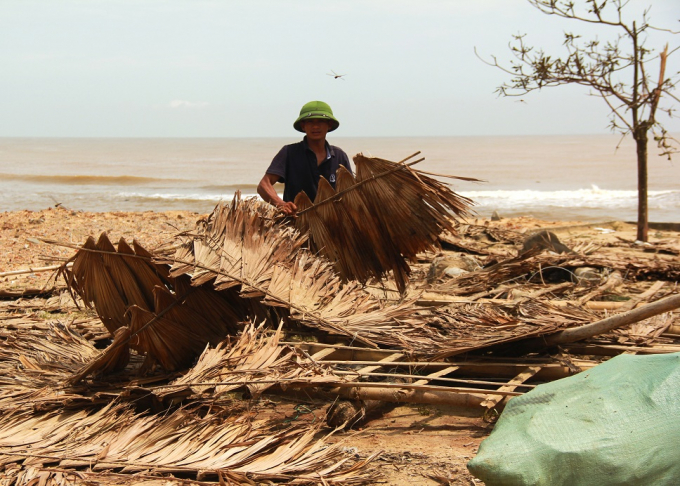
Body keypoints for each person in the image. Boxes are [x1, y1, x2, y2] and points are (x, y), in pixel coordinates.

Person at [257, 101, 352, 215]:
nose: (315, 126)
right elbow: (263, 185)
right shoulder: (289, 152)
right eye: (310, 122)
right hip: (296, 224)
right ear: (303, 126)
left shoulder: (339, 156)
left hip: (331, 224)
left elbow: (351, 193)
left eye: (320, 121)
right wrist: (281, 204)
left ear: (329, 125)